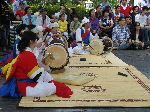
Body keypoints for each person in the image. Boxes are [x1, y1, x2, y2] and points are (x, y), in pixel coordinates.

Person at [0, 31, 73, 98]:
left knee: (49, 79)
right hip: (25, 87)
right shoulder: (27, 55)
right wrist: (45, 66)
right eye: (36, 39)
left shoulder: (27, 52)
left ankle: (49, 83)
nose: (37, 41)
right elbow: (36, 77)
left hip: (26, 82)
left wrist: (43, 66)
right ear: (31, 41)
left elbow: (34, 68)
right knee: (52, 87)